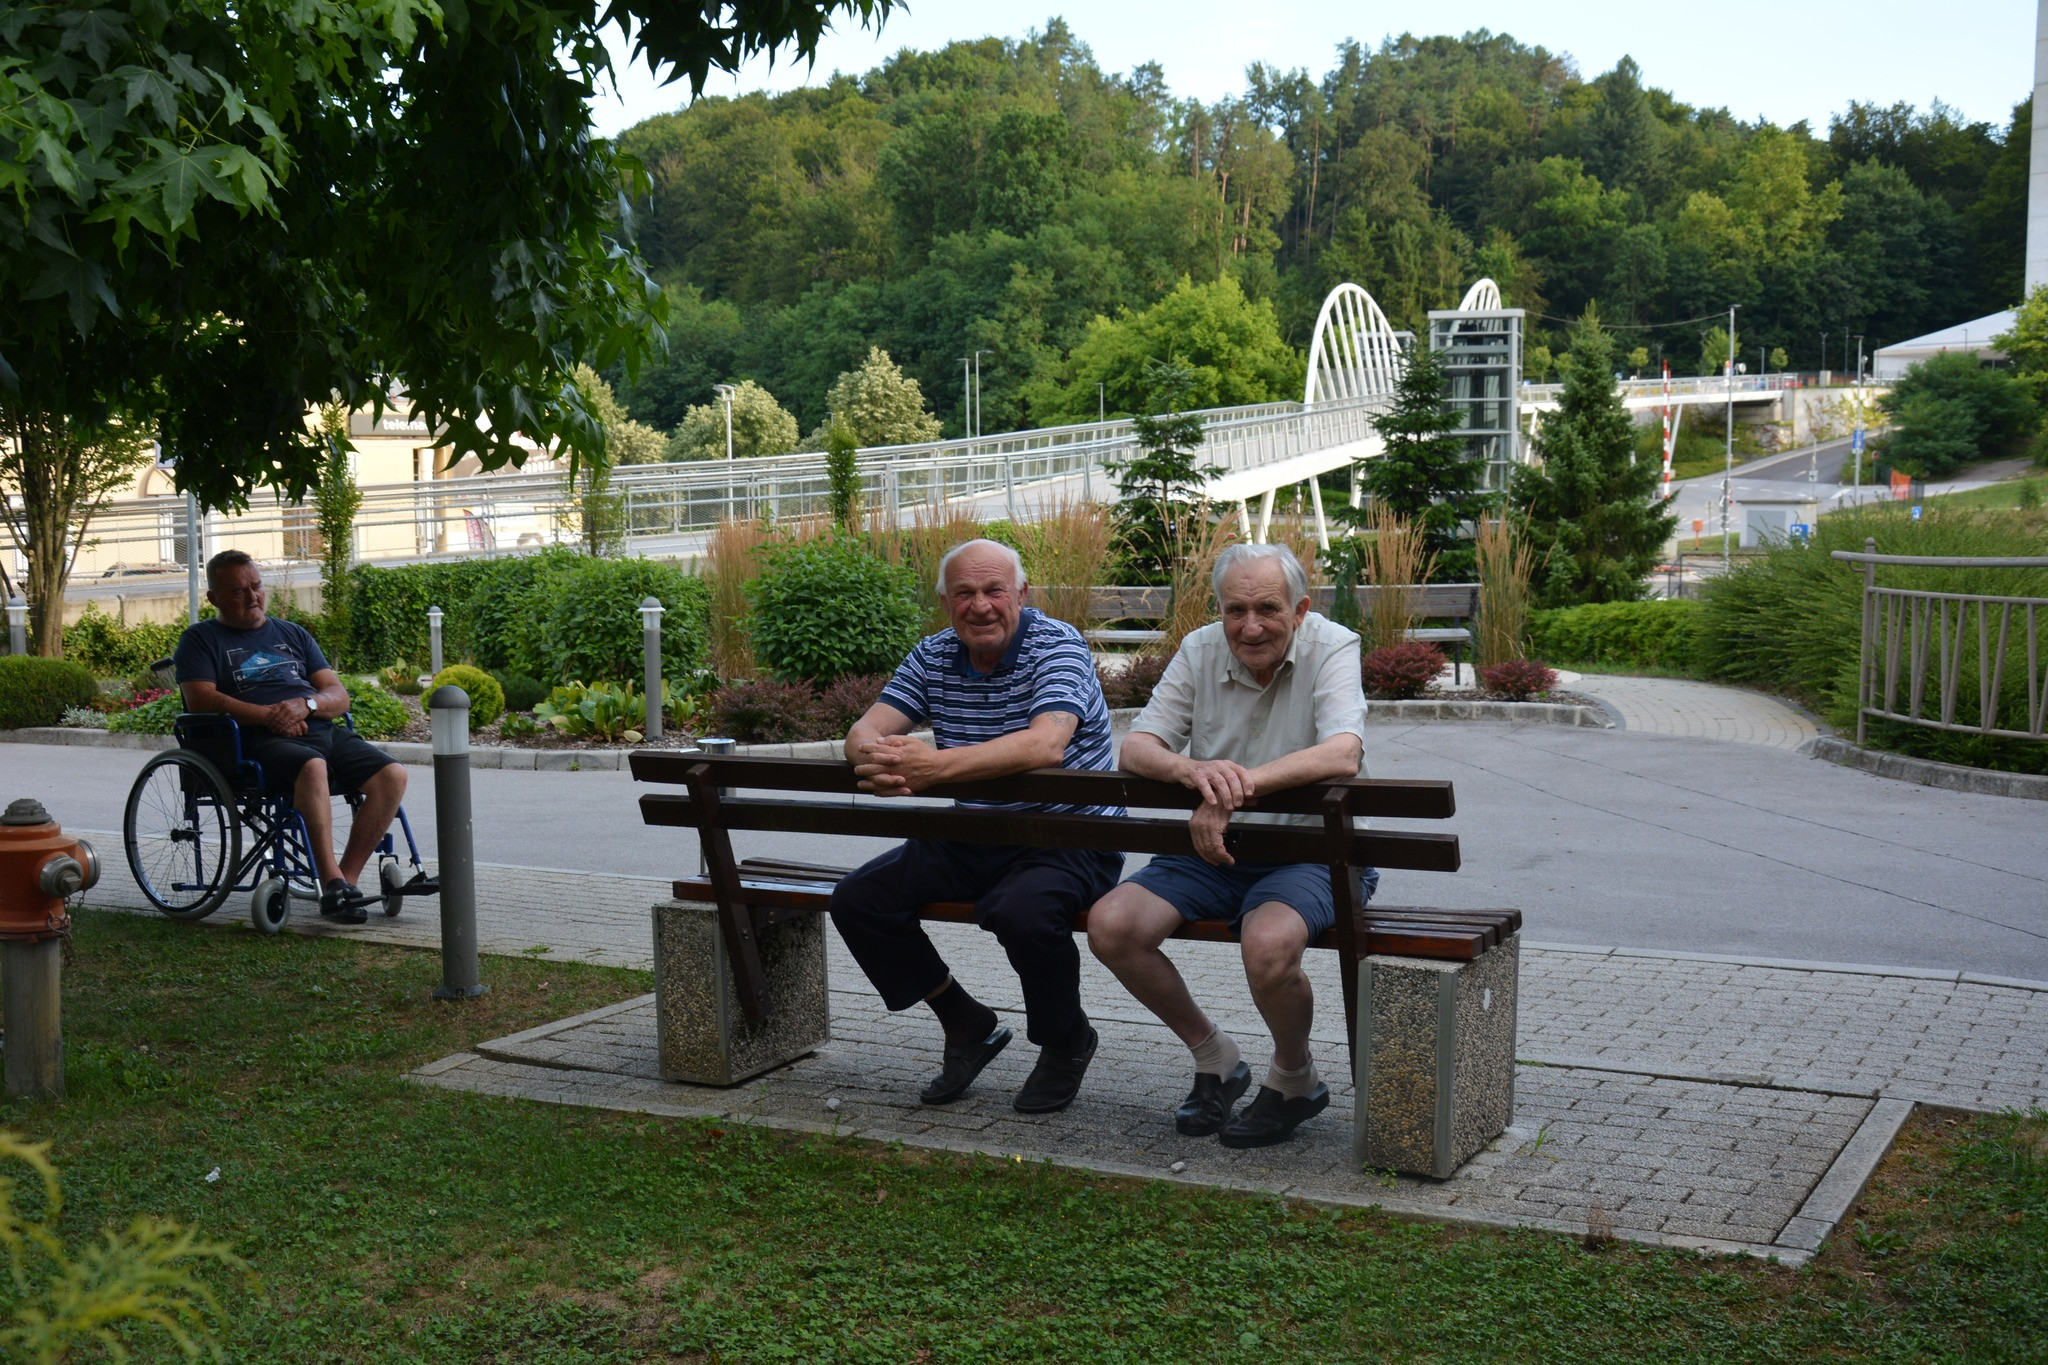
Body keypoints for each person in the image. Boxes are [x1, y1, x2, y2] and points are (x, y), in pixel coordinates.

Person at [1087, 542, 1375, 1148]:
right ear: (1218, 608)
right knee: (1112, 924)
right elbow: (1138, 748)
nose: (1250, 626)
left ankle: (1295, 1079)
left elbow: (1342, 752)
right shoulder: (1199, 648)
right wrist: (1194, 774)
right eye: (1234, 609)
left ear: (1300, 609)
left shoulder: (1333, 645)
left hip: (1312, 854)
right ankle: (1217, 1057)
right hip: (1216, 851)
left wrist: (1233, 787)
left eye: (1267, 608)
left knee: (1266, 944)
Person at [830, 539, 1125, 1114]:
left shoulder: (1058, 645)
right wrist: (878, 759)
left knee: (1020, 912)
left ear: (1022, 594)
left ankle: (1066, 1040)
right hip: (976, 832)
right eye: (964, 593)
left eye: (994, 591)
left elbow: (1046, 744)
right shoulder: (934, 654)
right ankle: (966, 1024)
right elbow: (862, 732)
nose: (980, 606)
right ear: (945, 602)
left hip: (1068, 837)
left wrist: (932, 768)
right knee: (860, 900)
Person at [173, 549, 408, 924]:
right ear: (214, 598)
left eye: (257, 586)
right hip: (251, 741)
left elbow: (338, 694)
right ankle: (330, 880)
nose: (253, 597)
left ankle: (344, 883)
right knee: (312, 767)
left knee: (392, 775)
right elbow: (200, 698)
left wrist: (307, 706)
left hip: (317, 727)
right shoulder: (201, 639)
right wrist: (268, 716)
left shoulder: (292, 633)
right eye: (238, 591)